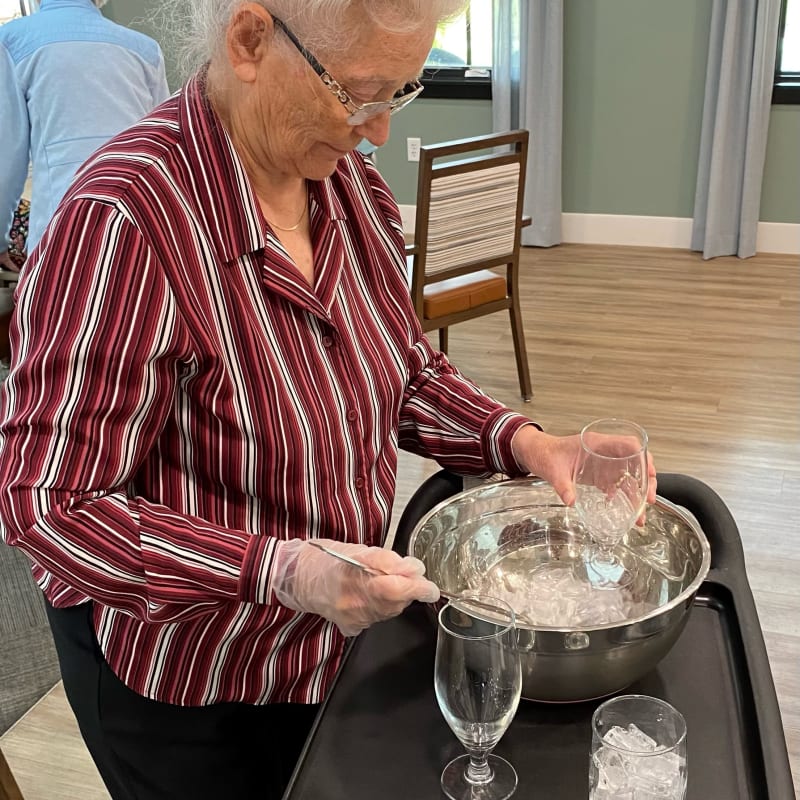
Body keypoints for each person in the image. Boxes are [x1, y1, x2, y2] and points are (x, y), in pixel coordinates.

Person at [0, 2, 656, 799]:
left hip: (327, 650)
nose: (377, 131)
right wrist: (281, 570)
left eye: (402, 93)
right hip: (192, 683)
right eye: (358, 94)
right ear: (250, 40)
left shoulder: (349, 190)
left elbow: (403, 371)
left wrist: (528, 444)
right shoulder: (125, 221)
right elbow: (50, 505)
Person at [0, 0, 169, 272]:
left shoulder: (11, 43)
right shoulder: (145, 50)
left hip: (61, 237)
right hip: (143, 231)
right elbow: (164, 152)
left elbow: (6, 158)